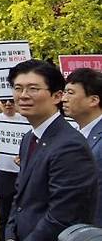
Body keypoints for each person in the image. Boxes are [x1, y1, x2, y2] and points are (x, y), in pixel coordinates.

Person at [5, 60, 97, 241]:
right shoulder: (28, 139)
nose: (23, 96)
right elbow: (20, 199)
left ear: (57, 96)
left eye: (33, 89)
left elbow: (63, 215)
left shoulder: (70, 146)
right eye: (18, 88)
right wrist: (10, 235)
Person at [62, 67, 102, 227]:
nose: (63, 98)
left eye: (70, 93)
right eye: (64, 92)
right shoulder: (73, 135)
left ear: (93, 100)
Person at [0, 97, 23, 241]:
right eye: (4, 101)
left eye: (11, 101)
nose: (8, 104)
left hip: (22, 172)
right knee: (4, 213)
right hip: (3, 172)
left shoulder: (25, 119)